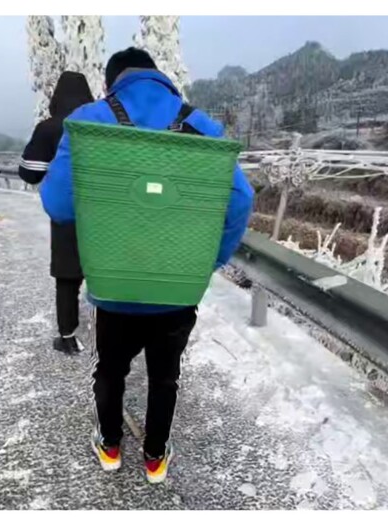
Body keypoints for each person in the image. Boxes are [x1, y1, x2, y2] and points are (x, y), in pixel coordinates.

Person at [40, 48, 254, 482]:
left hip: (114, 283)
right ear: (162, 79)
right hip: (177, 288)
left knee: (111, 370)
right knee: (165, 376)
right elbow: (241, 200)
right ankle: (155, 457)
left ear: (111, 82)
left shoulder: (89, 121)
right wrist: (206, 260)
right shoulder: (202, 126)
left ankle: (111, 447)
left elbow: (58, 203)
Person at [19, 71, 94, 355]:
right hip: (106, 213)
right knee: (106, 274)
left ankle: (67, 337)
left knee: (68, 277)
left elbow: (30, 172)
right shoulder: (102, 126)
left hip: (67, 215)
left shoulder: (50, 128)